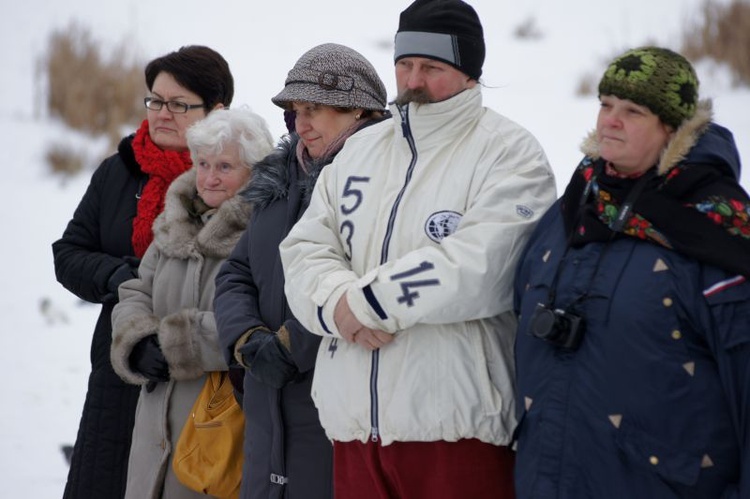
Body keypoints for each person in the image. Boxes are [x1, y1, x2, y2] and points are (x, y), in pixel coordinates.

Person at [278, 1, 557, 497]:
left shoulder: (510, 152)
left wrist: (371, 304)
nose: (414, 80)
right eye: (405, 65)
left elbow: (483, 264)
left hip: (456, 427)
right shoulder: (361, 150)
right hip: (354, 428)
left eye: (432, 68)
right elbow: (305, 249)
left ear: (470, 73)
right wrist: (338, 306)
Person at [512, 46, 750, 498]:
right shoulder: (572, 211)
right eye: (605, 105)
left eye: (633, 111)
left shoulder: (719, 232)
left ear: (673, 130)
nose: (610, 121)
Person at [51, 45, 234, 499]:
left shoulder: (226, 178)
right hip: (121, 356)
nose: (162, 113)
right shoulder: (117, 172)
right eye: (155, 100)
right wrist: (126, 278)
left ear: (216, 111)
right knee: (106, 475)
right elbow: (69, 253)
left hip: (198, 371)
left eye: (179, 104)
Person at [213, 43, 389, 499]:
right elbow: (235, 273)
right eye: (294, 110)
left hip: (333, 406)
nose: (299, 123)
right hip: (265, 406)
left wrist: (293, 346)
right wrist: (247, 338)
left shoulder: (385, 185)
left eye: (314, 109)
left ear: (359, 112)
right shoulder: (278, 182)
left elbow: (368, 282)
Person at [109, 107, 274, 498]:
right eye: (202, 164)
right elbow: (135, 291)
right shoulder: (174, 221)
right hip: (154, 417)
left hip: (221, 419)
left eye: (224, 166)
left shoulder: (266, 231)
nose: (210, 177)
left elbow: (261, 319)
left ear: (253, 171)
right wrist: (138, 341)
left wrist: (177, 343)